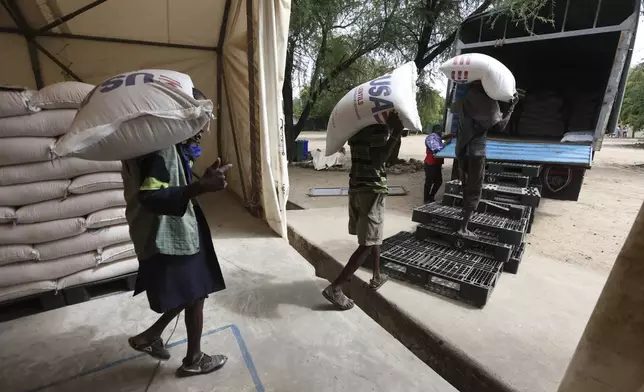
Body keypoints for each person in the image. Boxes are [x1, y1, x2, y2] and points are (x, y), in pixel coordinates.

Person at [123, 87, 231, 377]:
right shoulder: (159, 149)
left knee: (193, 290)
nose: (205, 128)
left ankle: (149, 337)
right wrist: (199, 187)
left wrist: (199, 180)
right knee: (195, 294)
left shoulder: (161, 144)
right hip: (166, 237)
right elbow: (151, 197)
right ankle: (194, 359)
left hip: (173, 233)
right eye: (200, 119)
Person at [322, 111, 406, 310]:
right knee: (367, 243)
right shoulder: (377, 128)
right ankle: (336, 287)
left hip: (357, 186)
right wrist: (395, 132)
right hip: (372, 189)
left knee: (374, 235)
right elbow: (381, 160)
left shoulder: (356, 128)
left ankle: (376, 276)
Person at [451, 81, 518, 238]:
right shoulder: (487, 103)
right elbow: (500, 126)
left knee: (466, 184)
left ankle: (464, 217)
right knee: (475, 188)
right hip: (476, 152)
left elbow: (452, 108)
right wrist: (511, 108)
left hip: (461, 150)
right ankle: (463, 228)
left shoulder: (462, 101)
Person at [424, 123, 452, 203]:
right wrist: (446, 143)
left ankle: (430, 196)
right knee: (429, 182)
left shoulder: (436, 137)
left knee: (438, 181)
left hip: (436, 164)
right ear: (435, 130)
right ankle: (426, 199)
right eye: (439, 129)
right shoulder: (431, 137)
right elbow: (436, 148)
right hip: (430, 164)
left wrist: (448, 136)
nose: (441, 131)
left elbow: (440, 139)